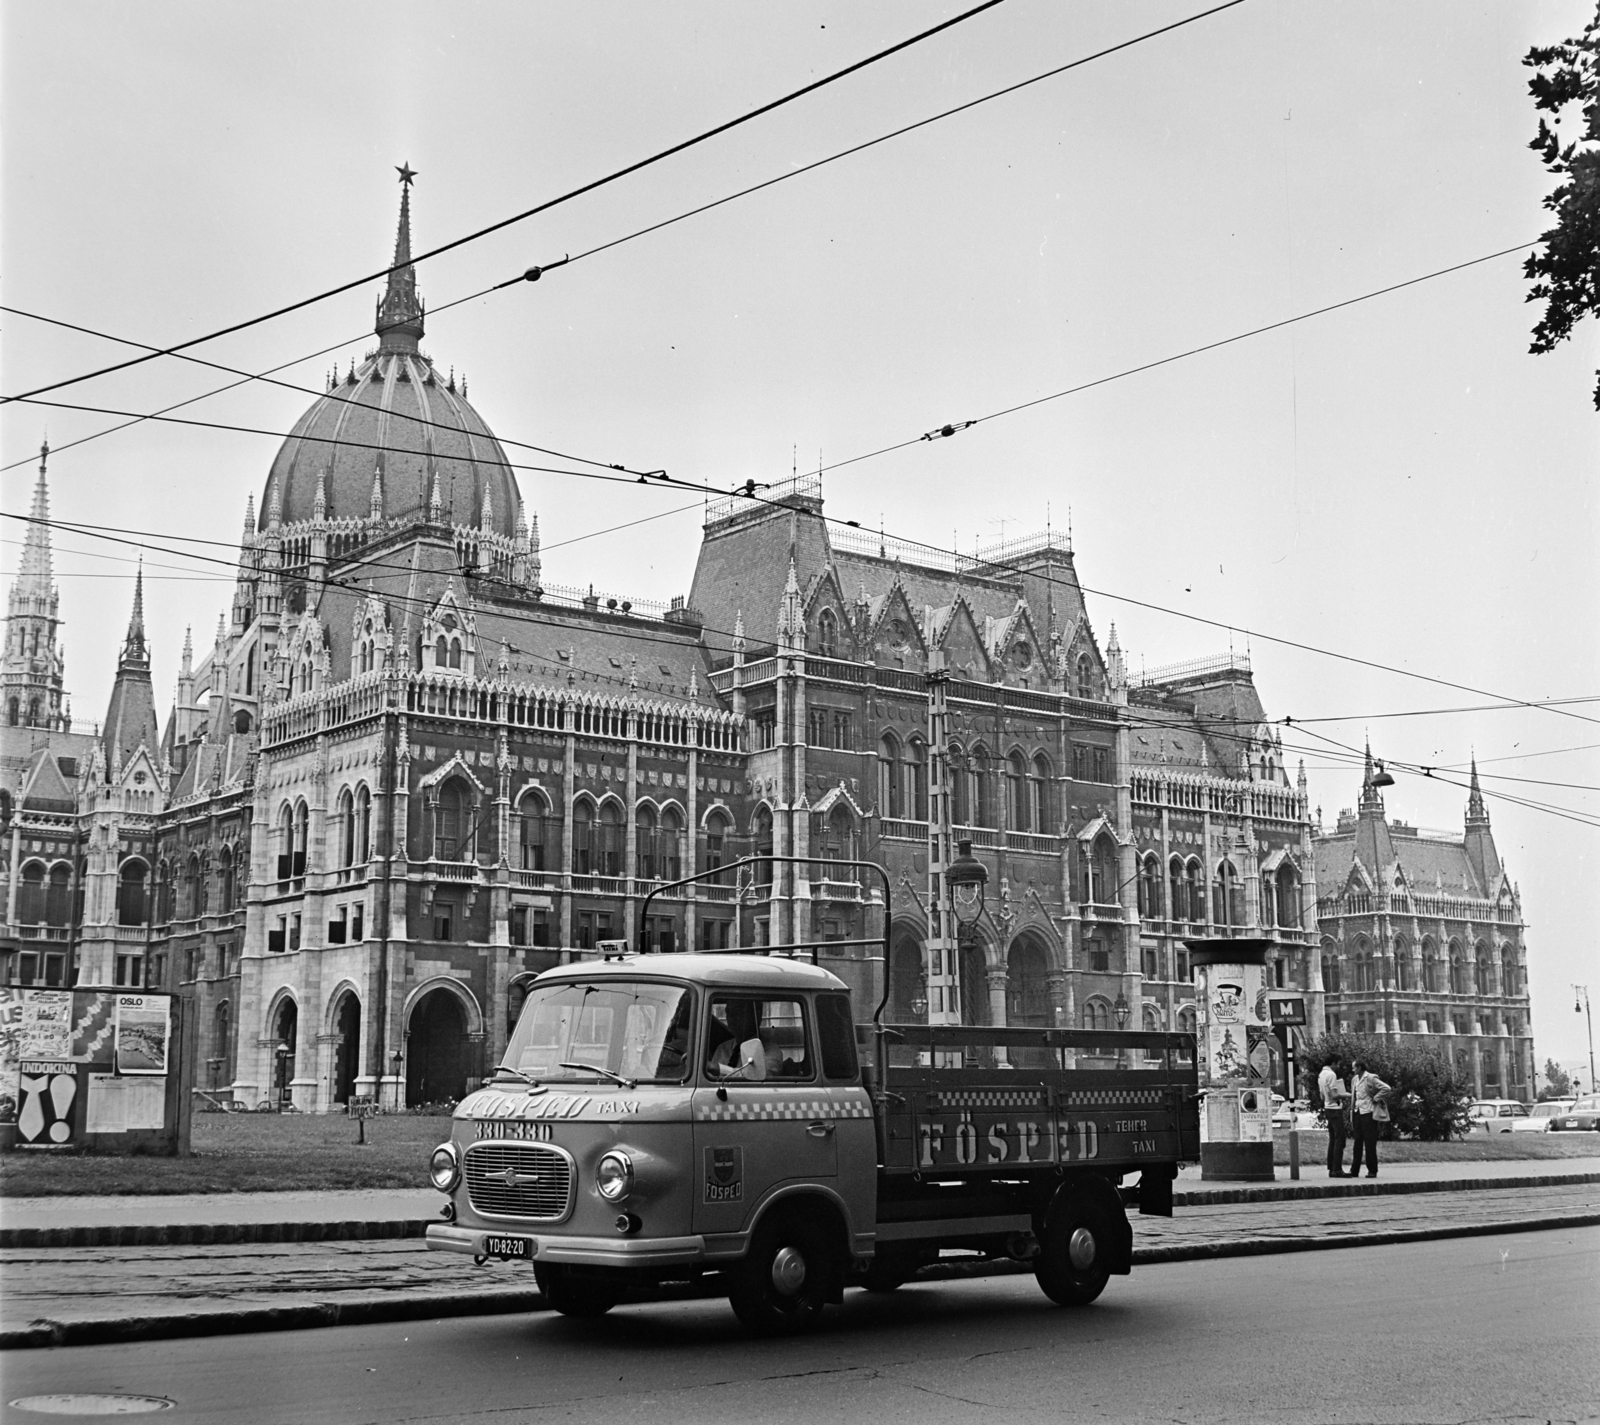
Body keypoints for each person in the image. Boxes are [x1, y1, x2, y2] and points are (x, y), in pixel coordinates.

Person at [1350, 1058, 1392, 1178]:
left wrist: (1376, 1098)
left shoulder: (1371, 1078)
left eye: (1354, 1067)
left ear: (1359, 1068)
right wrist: (1352, 1110)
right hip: (1358, 1111)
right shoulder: (1354, 1080)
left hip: (1369, 1112)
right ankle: (1354, 1169)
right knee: (1357, 1141)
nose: (1352, 1070)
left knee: (1369, 1142)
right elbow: (1354, 1095)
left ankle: (1372, 1170)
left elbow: (1386, 1088)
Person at [1318, 1055, 1351, 1177]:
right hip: (1335, 1109)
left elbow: (1322, 1096)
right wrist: (1347, 1095)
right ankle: (1337, 1169)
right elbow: (1334, 1095)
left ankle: (1331, 1167)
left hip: (1327, 1108)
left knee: (1332, 1139)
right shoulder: (1331, 1075)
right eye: (1337, 1064)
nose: (1338, 1067)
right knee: (1339, 1139)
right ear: (1332, 1063)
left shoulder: (1321, 1075)